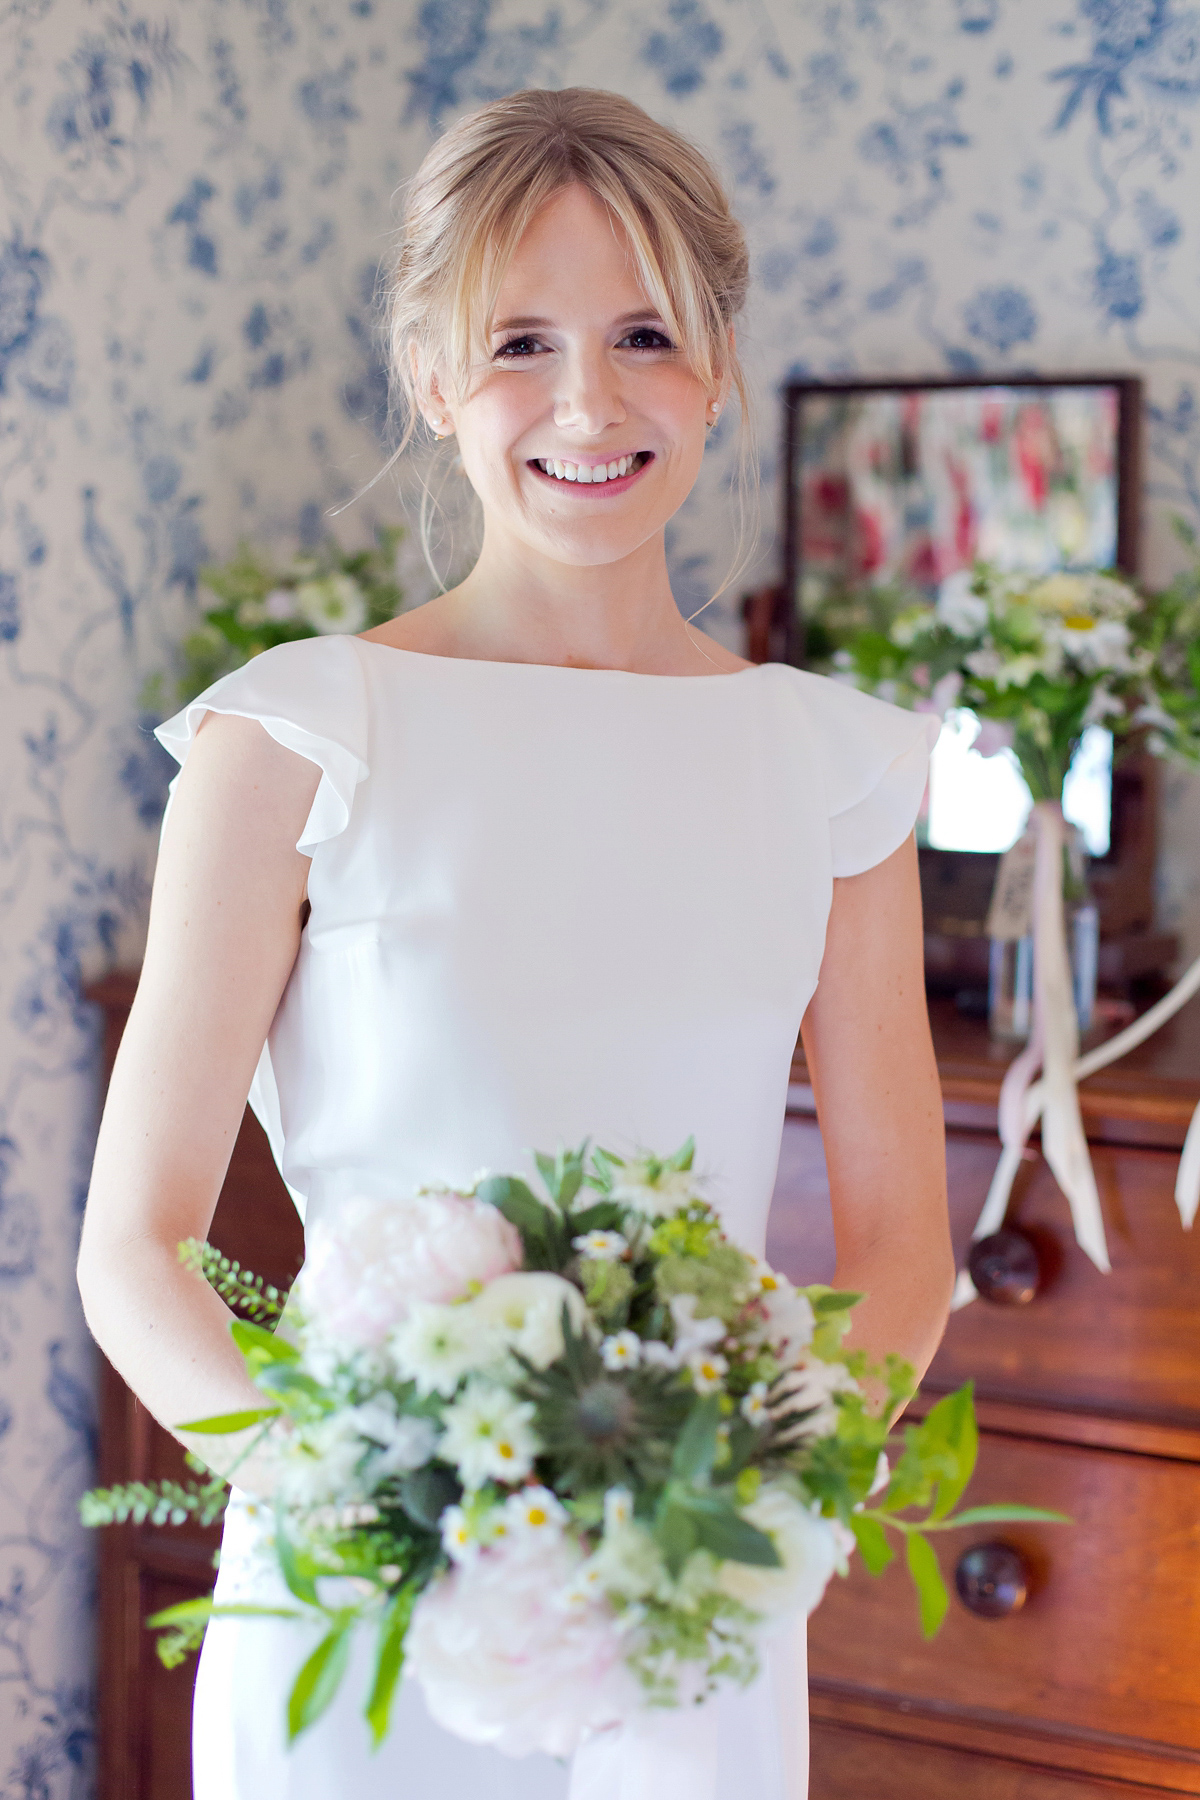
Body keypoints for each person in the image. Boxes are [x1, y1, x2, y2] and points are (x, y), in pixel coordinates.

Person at [78, 86, 953, 1800]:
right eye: (520, 344)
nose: (588, 403)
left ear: (714, 368)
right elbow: (140, 1246)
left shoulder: (834, 770)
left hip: (685, 1600)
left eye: (643, 336)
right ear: (430, 378)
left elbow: (906, 1249)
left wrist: (736, 1509)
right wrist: (380, 1508)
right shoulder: (296, 739)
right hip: (365, 1595)